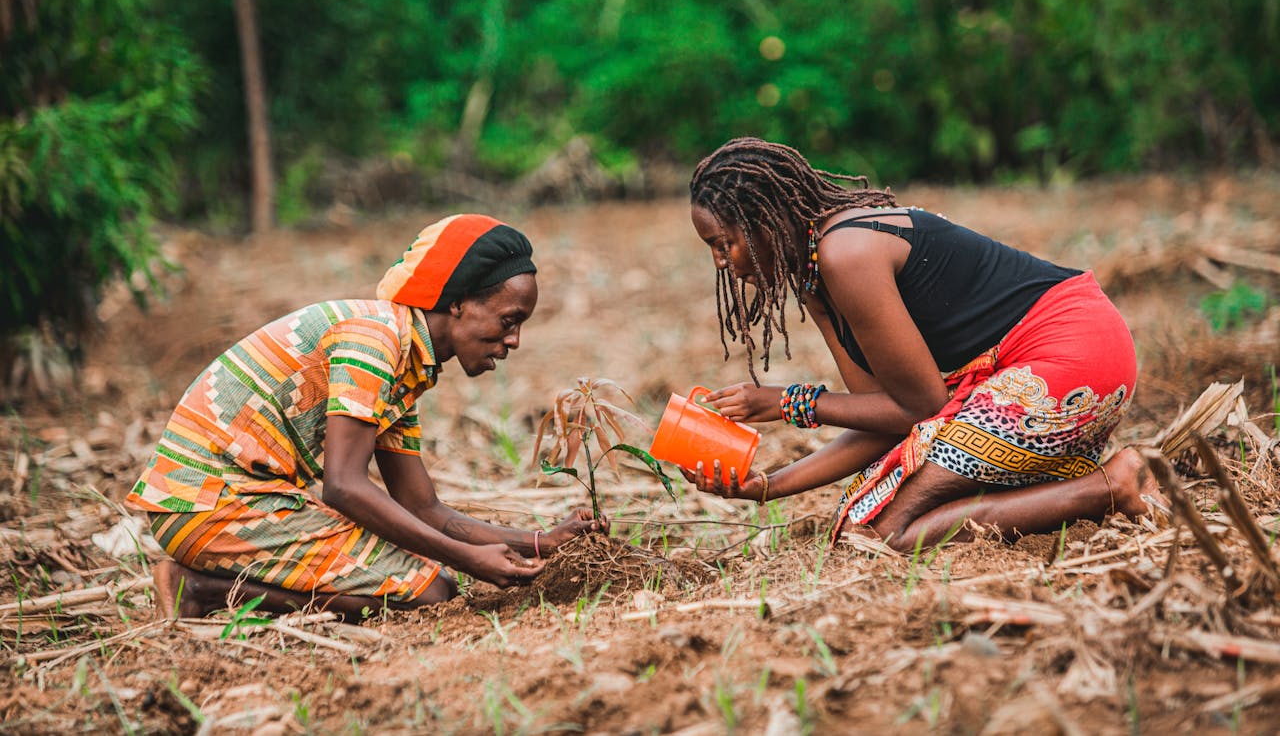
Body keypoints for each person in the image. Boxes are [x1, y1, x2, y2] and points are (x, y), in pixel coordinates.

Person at [681, 137, 1155, 550]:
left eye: (724, 243)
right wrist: (765, 486)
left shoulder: (844, 253)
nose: (721, 262)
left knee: (880, 530)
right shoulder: (814, 277)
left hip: (1073, 354)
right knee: (864, 508)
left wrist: (789, 403)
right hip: (1052, 362)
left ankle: (1110, 487)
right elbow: (884, 419)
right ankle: (1077, 484)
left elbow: (920, 407)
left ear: (764, 219)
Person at [126, 214, 606, 620]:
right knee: (431, 590)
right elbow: (343, 486)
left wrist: (540, 541)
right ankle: (201, 590)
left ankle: (206, 587)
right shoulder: (375, 342)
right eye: (508, 320)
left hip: (224, 500)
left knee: (425, 571)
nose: (515, 341)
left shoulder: (406, 362)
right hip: (209, 502)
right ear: (457, 302)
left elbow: (422, 508)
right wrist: (468, 558)